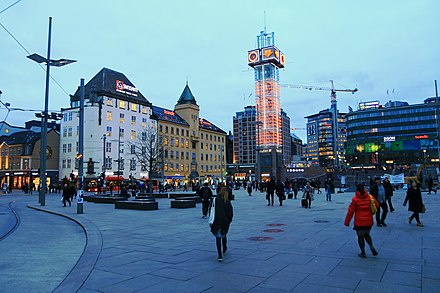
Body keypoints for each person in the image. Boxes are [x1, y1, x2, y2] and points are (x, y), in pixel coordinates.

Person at [344, 184, 379, 258]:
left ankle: (363, 252)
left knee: (360, 237)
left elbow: (350, 211)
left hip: (359, 221)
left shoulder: (355, 199)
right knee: (367, 234)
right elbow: (377, 205)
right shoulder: (370, 197)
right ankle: (371, 246)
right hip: (369, 221)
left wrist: (347, 222)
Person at [209, 187, 233, 262]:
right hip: (224, 222)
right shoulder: (227, 201)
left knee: (218, 237)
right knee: (224, 234)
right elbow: (230, 213)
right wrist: (229, 220)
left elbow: (211, 210)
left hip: (216, 221)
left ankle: (219, 255)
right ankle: (225, 247)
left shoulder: (214, 200)